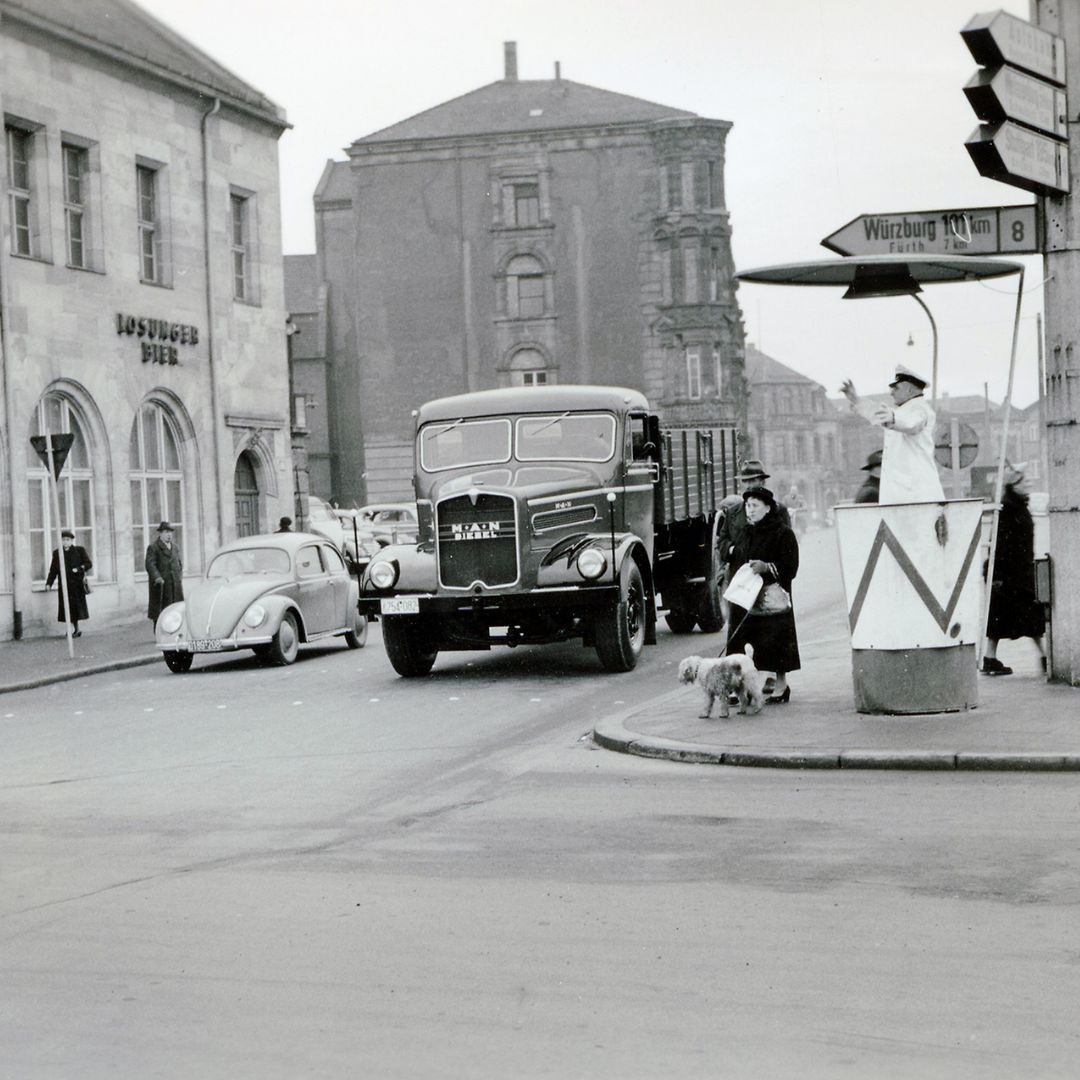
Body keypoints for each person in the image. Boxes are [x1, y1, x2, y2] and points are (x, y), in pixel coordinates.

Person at [725, 488, 800, 703]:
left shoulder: (783, 533)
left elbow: (791, 566)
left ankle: (781, 685)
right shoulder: (747, 532)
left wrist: (767, 567)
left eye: (754, 506)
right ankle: (738, 687)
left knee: (776, 641)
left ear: (768, 508)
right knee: (739, 640)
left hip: (772, 595)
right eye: (748, 506)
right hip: (748, 596)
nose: (750, 510)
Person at [840, 364, 944, 503]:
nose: (891, 392)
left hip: (917, 494)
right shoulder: (903, 411)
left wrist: (893, 418)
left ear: (909, 389)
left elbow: (912, 423)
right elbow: (880, 414)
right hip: (905, 493)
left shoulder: (920, 409)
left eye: (896, 388)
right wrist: (857, 401)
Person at [983, 466, 1047, 676]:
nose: (1028, 485)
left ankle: (992, 658)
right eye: (1024, 482)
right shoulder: (1009, 510)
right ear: (1013, 486)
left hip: (1019, 572)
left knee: (1016, 616)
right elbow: (1000, 544)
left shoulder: (1017, 506)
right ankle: (1044, 656)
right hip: (1012, 575)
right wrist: (997, 575)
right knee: (1016, 616)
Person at [45, 529, 92, 637]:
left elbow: (88, 564)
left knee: (75, 608)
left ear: (71, 541)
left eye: (68, 540)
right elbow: (53, 570)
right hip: (64, 585)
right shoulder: (57, 553)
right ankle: (71, 629)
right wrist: (49, 583)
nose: (65, 542)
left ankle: (75, 629)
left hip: (76, 585)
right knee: (66, 608)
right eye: (63, 540)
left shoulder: (79, 550)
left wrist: (79, 568)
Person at [146, 521, 183, 626]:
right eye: (166, 532)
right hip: (161, 586)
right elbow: (150, 565)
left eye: (171, 532)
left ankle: (175, 631)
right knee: (161, 612)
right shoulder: (153, 547)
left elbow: (179, 563)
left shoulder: (175, 547)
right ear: (160, 533)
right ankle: (159, 633)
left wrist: (179, 576)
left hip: (175, 585)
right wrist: (157, 577)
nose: (169, 535)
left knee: (176, 610)